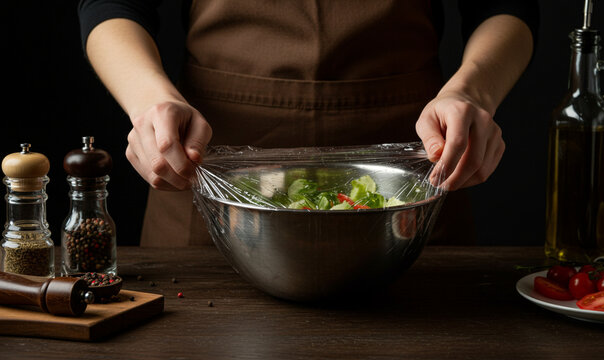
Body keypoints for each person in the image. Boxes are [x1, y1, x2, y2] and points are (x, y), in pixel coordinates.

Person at [78, 0, 538, 246]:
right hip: (209, 176)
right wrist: (149, 101)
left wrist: (472, 92)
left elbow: (506, 4)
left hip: (414, 171)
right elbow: (111, 3)